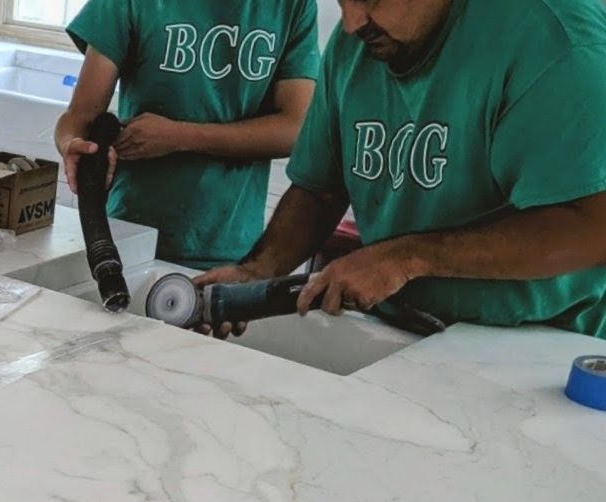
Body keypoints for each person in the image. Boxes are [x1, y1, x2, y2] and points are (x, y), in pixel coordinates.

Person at [199, 0, 606, 338]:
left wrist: (406, 258)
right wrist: (257, 270)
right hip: (401, 327)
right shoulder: (355, 44)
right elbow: (321, 190)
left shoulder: (557, 43)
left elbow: (593, 228)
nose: (352, 22)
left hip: (543, 347)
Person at [54, 0, 322, 270]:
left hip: (232, 251)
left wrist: (179, 137)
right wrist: (71, 143)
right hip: (130, 236)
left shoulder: (293, 6)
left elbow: (296, 129)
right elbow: (79, 116)